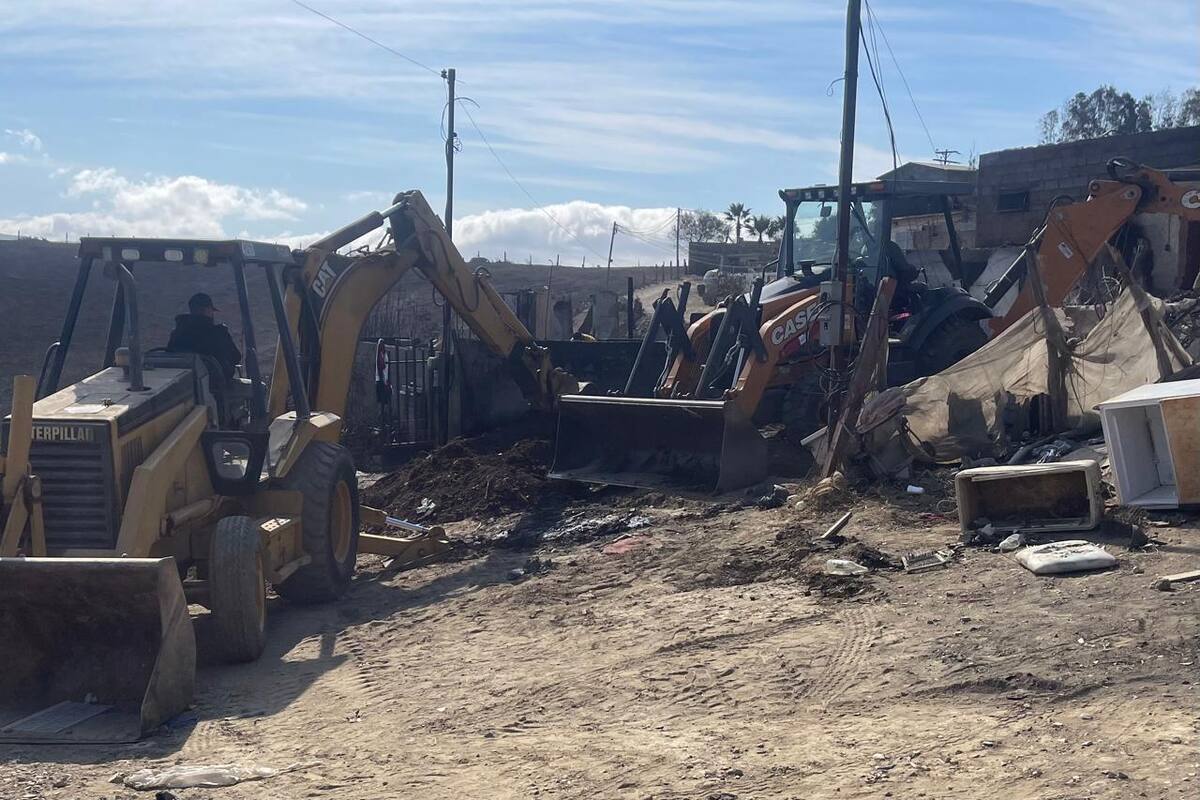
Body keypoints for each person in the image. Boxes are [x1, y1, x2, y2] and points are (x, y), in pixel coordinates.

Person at [167, 292, 242, 380]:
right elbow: (236, 357)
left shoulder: (177, 334)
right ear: (206, 310)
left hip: (184, 383)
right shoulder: (218, 333)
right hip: (215, 387)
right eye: (211, 310)